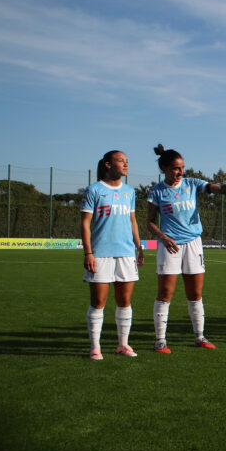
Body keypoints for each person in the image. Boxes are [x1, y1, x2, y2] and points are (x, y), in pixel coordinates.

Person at [146, 144, 226, 353]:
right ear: (164, 168)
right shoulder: (157, 191)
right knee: (165, 293)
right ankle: (160, 341)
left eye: (182, 168)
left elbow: (220, 189)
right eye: (175, 168)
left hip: (193, 243)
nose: (180, 172)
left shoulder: (192, 184)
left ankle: (200, 337)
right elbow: (150, 222)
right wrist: (163, 237)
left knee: (195, 293)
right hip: (170, 245)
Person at [80, 150, 144, 360]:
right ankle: (95, 348)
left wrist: (139, 247)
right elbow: (85, 223)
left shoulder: (129, 191)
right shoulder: (94, 190)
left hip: (126, 253)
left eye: (127, 161)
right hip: (100, 254)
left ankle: (123, 345)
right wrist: (88, 252)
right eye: (121, 161)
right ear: (108, 164)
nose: (126, 165)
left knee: (124, 301)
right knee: (98, 301)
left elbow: (132, 221)